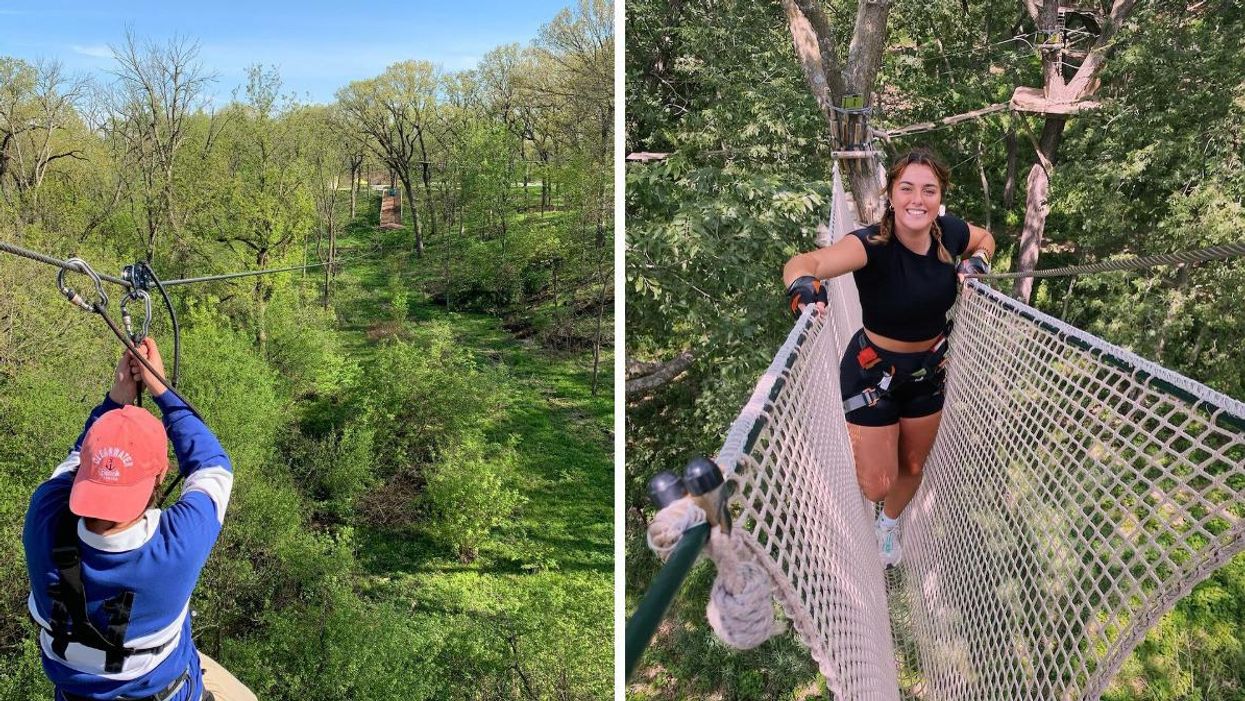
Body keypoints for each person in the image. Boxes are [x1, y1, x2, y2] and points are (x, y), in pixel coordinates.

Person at [782, 148, 995, 568]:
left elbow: (984, 237)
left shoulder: (948, 233)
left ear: (940, 198)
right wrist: (803, 285)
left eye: (928, 191)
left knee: (913, 465)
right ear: (892, 195)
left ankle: (888, 527)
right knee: (876, 485)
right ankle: (869, 472)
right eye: (907, 189)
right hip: (871, 374)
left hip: (928, 373)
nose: (918, 199)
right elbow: (809, 261)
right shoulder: (870, 245)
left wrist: (978, 262)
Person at [23, 338, 255, 701]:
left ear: (84, 474)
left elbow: (74, 461)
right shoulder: (174, 547)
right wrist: (161, 389)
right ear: (161, 477)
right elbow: (213, 467)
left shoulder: (44, 518)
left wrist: (114, 404)